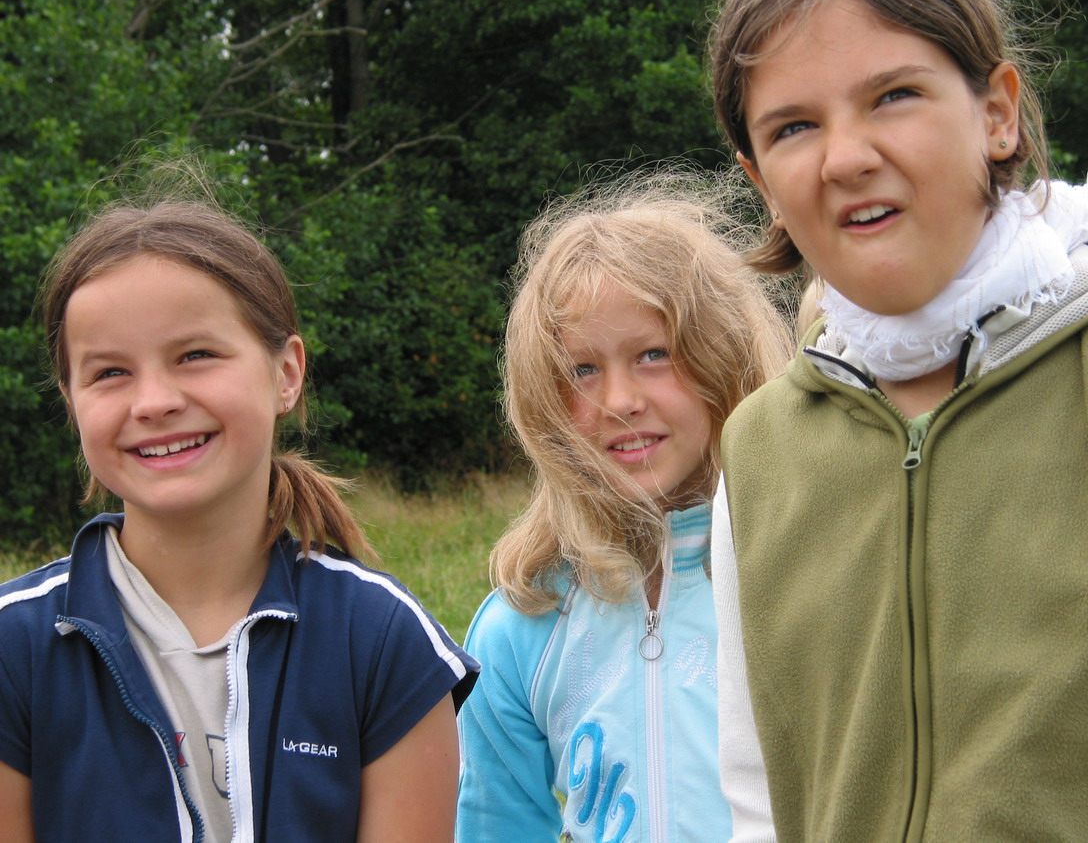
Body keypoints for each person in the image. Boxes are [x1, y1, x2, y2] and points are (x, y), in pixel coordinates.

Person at [708, 0, 1088, 839]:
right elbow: (758, 796)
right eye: (794, 127)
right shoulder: (758, 453)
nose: (846, 158)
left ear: (997, 115)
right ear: (762, 183)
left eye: (893, 95)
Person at [0, 183, 478, 842]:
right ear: (71, 401)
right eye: (109, 372)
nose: (154, 401)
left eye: (195, 356)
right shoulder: (13, 648)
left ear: (287, 373)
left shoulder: (383, 641)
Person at [455, 168, 792, 841]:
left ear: (724, 355)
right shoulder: (522, 623)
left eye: (654, 354)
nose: (619, 401)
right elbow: (496, 825)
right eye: (582, 370)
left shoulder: (800, 576)